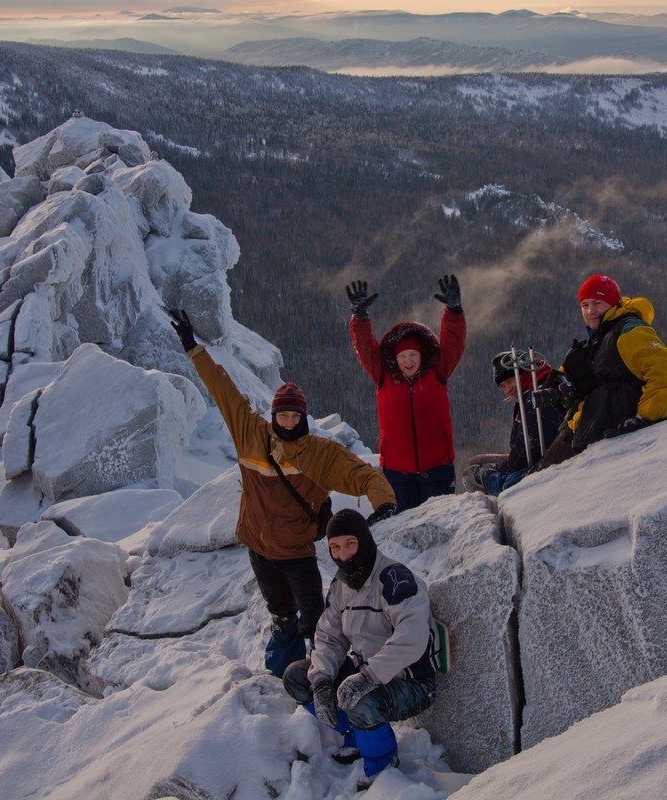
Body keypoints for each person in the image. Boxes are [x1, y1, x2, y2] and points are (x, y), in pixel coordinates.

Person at [169, 309, 397, 679]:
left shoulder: (319, 454)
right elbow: (222, 388)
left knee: (315, 618)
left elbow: (361, 474)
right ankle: (285, 657)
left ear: (303, 418)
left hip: (295, 552)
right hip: (258, 546)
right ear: (273, 415)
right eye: (283, 415)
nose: (288, 421)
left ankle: (321, 671)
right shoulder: (250, 434)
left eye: (295, 416)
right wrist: (193, 348)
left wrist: (384, 502)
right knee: (281, 610)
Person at [282, 508, 437, 791]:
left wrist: (369, 678)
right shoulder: (342, 585)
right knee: (297, 677)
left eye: (350, 544)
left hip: (410, 682)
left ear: (364, 541)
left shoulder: (393, 579)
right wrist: (321, 682)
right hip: (366, 673)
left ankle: (382, 762)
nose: (343, 555)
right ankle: (355, 735)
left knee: (359, 699)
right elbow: (329, 636)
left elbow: (413, 637)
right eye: (335, 548)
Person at [534, 275, 667, 471]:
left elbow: (665, 375)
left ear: (613, 303)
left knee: (544, 484)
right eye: (585, 305)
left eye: (597, 302)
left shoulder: (630, 331)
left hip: (611, 430)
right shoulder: (600, 338)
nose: (590, 310)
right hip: (586, 428)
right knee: (539, 479)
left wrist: (643, 418)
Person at [346, 275, 466, 512]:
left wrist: (454, 311)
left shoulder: (437, 371)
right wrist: (359, 318)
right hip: (397, 473)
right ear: (395, 358)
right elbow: (366, 348)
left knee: (439, 528)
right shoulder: (384, 376)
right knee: (404, 537)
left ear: (422, 356)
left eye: (413, 355)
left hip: (437, 469)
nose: (408, 361)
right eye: (402, 356)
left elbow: (453, 343)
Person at [462, 350, 565, 496]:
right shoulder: (532, 393)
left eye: (510, 381)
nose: (507, 390)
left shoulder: (539, 397)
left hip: (541, 463)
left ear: (525, 373)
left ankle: (496, 493)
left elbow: (529, 448)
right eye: (503, 386)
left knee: (472, 475)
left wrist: (497, 471)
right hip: (535, 458)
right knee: (476, 462)